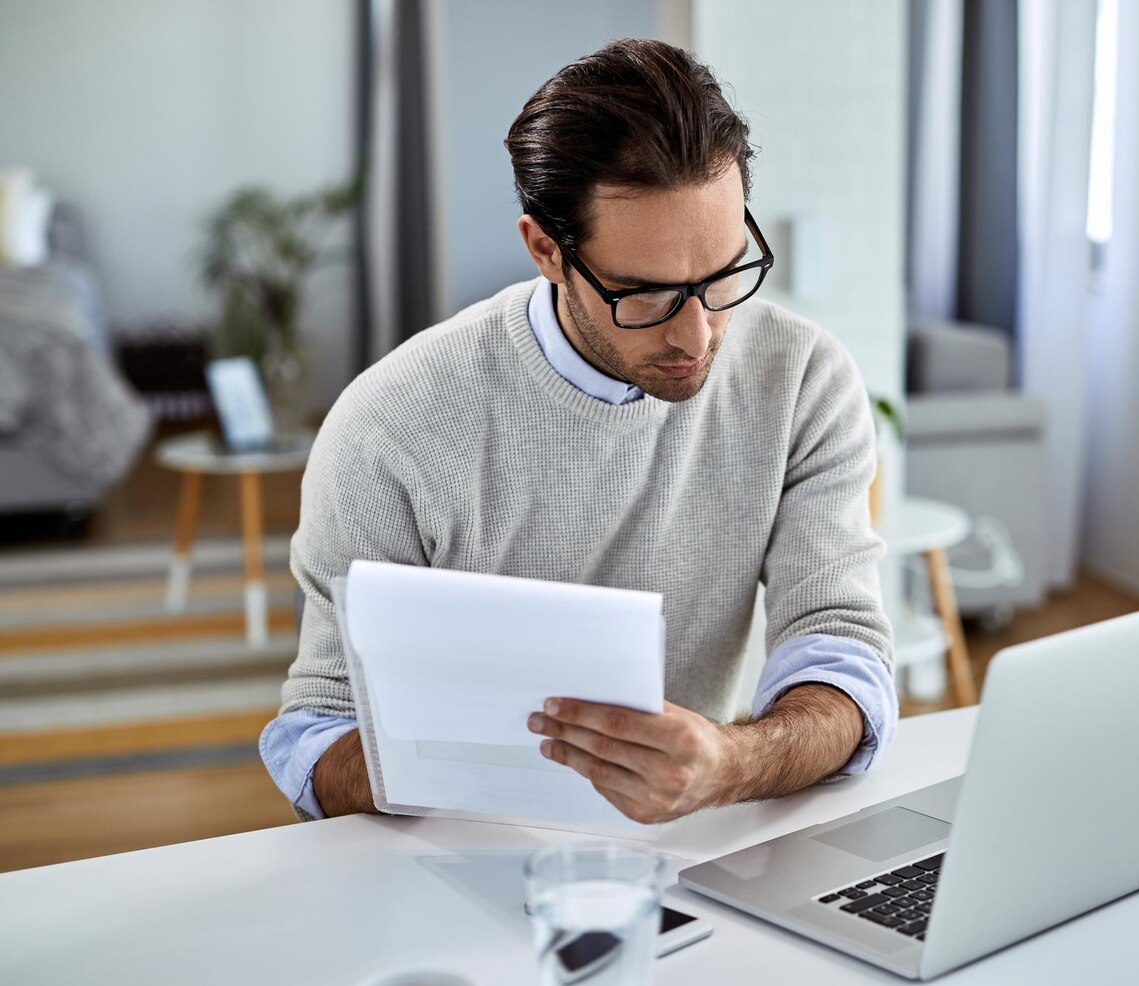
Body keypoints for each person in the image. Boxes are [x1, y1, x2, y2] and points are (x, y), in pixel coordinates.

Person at [259, 37, 895, 824]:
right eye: (646, 294)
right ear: (545, 252)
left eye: (724, 274)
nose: (697, 338)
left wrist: (732, 764)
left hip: (694, 841)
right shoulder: (390, 426)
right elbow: (316, 740)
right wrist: (498, 764)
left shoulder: (802, 379)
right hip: (449, 855)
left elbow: (841, 646)